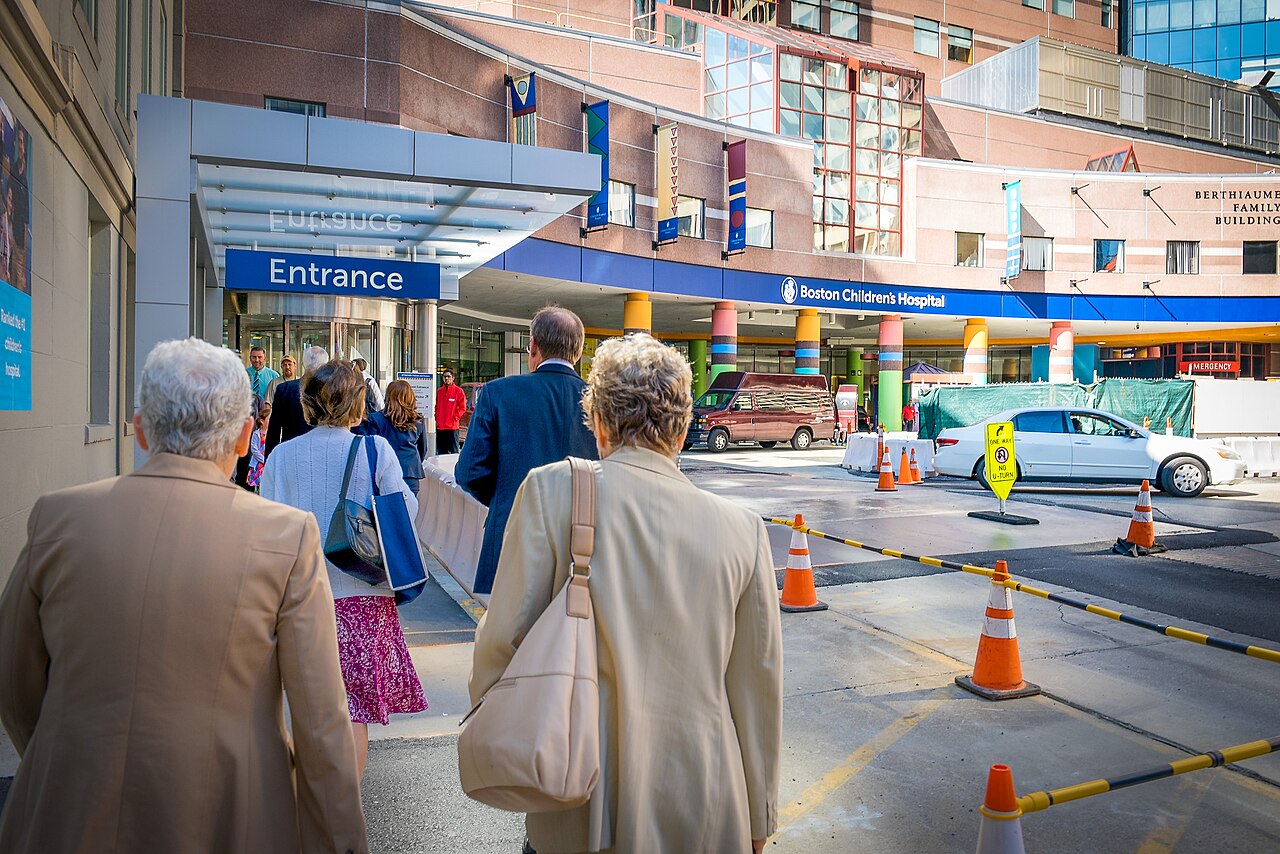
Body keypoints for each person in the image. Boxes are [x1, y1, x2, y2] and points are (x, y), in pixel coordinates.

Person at [0, 337, 367, 853]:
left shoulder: (56, 520)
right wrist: (340, 841)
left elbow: (15, 681)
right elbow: (322, 722)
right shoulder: (287, 538)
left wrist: (64, 753)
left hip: (68, 812)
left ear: (140, 429)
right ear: (245, 437)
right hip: (235, 813)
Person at [470, 333, 782, 854]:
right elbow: (758, 687)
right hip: (706, 797)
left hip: (579, 789)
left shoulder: (551, 491)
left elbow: (502, 643)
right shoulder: (743, 530)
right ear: (682, 427)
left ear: (597, 422)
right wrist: (760, 814)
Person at [261, 360, 427, 779]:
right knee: (354, 711)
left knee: (308, 708)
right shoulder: (376, 450)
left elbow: (267, 530)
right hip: (363, 596)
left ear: (308, 404)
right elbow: (406, 510)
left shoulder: (281, 457)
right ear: (357, 404)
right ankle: (345, 806)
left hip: (301, 602)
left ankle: (308, 802)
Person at [455, 306, 598, 595]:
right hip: (583, 547)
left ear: (533, 346)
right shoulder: (603, 403)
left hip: (512, 535)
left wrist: (506, 497)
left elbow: (469, 472)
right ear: (578, 351)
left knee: (508, 622)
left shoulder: (498, 393)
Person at [355, 379, 426, 495]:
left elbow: (370, 448)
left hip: (384, 471)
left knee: (386, 505)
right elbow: (423, 449)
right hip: (410, 472)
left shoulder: (376, 419)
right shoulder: (418, 420)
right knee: (409, 505)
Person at [266, 345, 328, 456]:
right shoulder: (330, 390)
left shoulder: (285, 389)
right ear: (325, 366)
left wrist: (269, 459)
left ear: (302, 363)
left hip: (291, 452)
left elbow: (273, 430)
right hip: (322, 453)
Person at [434, 368, 467, 455]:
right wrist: (437, 416)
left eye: (449, 376)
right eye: (445, 376)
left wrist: (455, 417)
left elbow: (463, 407)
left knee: (454, 453)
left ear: (453, 378)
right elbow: (437, 406)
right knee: (441, 453)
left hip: (452, 427)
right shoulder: (439, 391)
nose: (446, 378)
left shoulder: (459, 391)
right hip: (440, 427)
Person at [247, 401, 271, 490]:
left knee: (265, 485)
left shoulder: (272, 435)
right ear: (262, 421)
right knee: (257, 484)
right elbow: (254, 449)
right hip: (258, 463)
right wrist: (263, 459)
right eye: (269, 419)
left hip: (267, 463)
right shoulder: (256, 434)